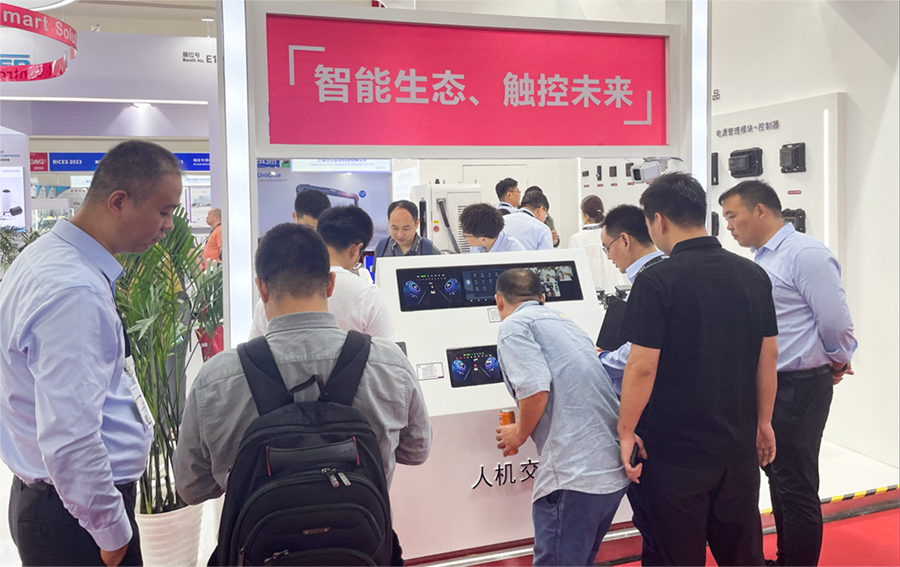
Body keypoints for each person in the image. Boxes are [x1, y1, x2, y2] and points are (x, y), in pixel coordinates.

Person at [0, 140, 183, 567]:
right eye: (164, 211)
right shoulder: (74, 291)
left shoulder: (49, 257)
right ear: (118, 202)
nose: (169, 225)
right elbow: (71, 436)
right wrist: (111, 531)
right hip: (76, 521)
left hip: (59, 504)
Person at [174, 223, 431, 502]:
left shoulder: (216, 379)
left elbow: (192, 487)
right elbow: (416, 451)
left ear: (261, 289)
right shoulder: (390, 364)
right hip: (362, 527)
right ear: (330, 284)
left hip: (262, 530)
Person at [617, 172, 779, 567]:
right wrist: (764, 422)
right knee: (743, 556)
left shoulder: (656, 281)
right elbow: (768, 357)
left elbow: (641, 366)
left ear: (659, 221)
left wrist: (625, 430)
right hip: (737, 450)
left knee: (677, 556)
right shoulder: (753, 275)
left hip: (676, 454)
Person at [720, 180, 857, 567]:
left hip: (799, 387)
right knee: (778, 479)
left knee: (795, 485)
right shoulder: (762, 259)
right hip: (770, 384)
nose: (728, 225)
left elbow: (836, 321)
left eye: (732, 215)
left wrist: (837, 361)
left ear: (760, 210)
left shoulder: (805, 254)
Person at [494, 268, 629, 567]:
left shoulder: (513, 327)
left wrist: (518, 433)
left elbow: (535, 390)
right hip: (609, 473)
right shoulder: (566, 323)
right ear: (542, 298)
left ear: (498, 301)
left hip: (574, 476)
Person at [249, 206, 397, 341]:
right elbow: (388, 351)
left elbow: (254, 350)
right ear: (355, 250)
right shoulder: (367, 294)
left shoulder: (272, 293)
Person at [597, 204, 666, 395]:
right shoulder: (666, 268)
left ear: (625, 240)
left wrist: (600, 359)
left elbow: (637, 352)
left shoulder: (648, 281)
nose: (608, 256)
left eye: (607, 248)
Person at [568, 195, 627, 293]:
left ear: (583, 214)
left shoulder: (576, 239)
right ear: (602, 212)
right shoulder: (612, 235)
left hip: (589, 292)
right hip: (616, 290)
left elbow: (572, 272)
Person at [374, 199, 442, 261]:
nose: (400, 235)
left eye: (406, 229)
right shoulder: (382, 248)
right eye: (395, 228)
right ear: (389, 221)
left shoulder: (430, 251)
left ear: (416, 223)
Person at [460, 203, 526, 253]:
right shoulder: (477, 244)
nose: (462, 233)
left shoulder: (514, 253)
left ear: (484, 240)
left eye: (465, 235)